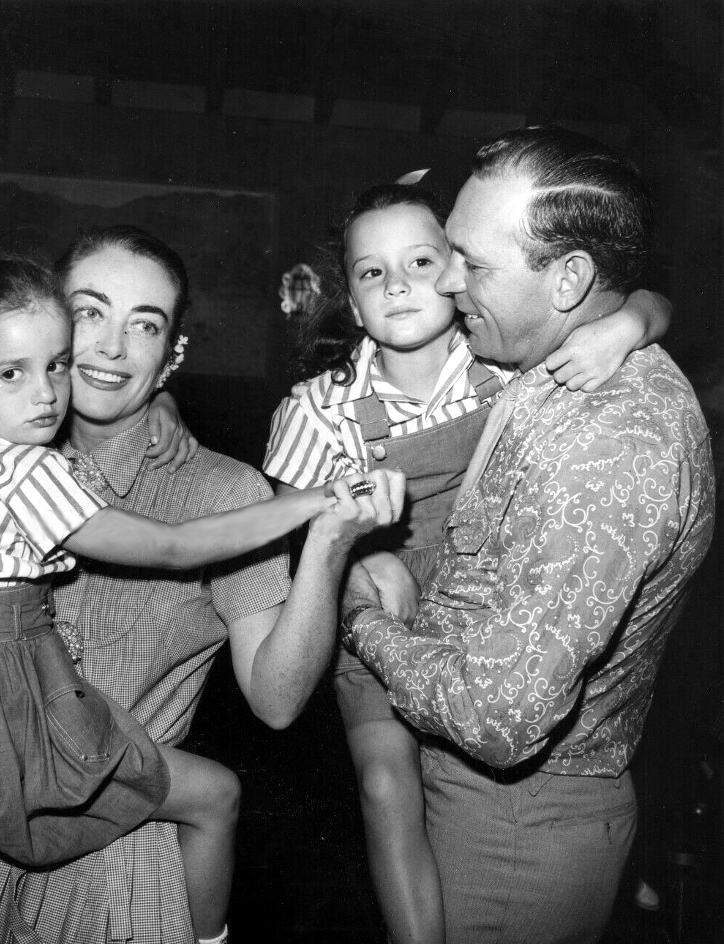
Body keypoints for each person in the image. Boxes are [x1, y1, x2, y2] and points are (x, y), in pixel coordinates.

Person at [0, 225, 404, 944]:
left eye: (145, 325)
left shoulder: (226, 492)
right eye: (91, 314)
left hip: (122, 848)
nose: (111, 347)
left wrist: (325, 546)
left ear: (173, 356)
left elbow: (279, 699)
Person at [263, 177, 671, 944]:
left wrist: (625, 329)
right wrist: (355, 563)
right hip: (375, 614)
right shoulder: (317, 409)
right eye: (372, 273)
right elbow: (302, 535)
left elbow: (646, 301)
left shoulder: (503, 362)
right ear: (351, 303)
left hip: (486, 606)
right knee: (388, 786)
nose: (399, 286)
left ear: (457, 276)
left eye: (421, 261)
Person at [338, 126, 716, 944]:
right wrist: (635, 318)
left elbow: (499, 719)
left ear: (569, 278)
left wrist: (363, 622)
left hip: (511, 828)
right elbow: (645, 300)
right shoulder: (565, 348)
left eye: (471, 263)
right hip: (487, 803)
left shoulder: (612, 445)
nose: (444, 281)